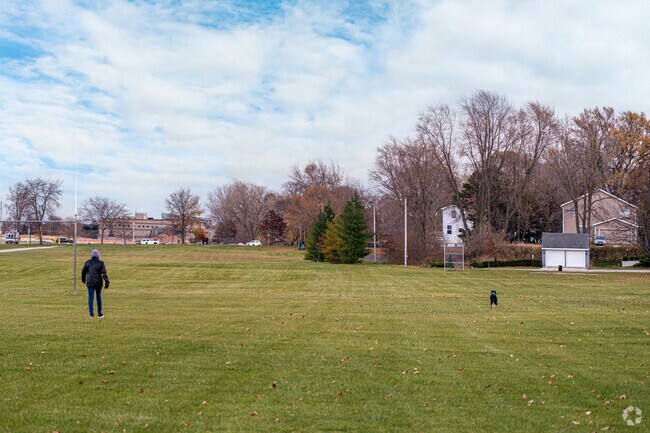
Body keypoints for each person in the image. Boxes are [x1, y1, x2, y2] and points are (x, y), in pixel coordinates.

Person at [81, 249, 110, 318]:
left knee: (90, 298)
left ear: (91, 256)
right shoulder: (101, 263)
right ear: (98, 256)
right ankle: (99, 314)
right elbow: (104, 273)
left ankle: (91, 314)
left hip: (90, 282)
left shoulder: (88, 262)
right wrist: (107, 282)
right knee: (98, 297)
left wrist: (83, 280)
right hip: (98, 283)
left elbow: (83, 272)